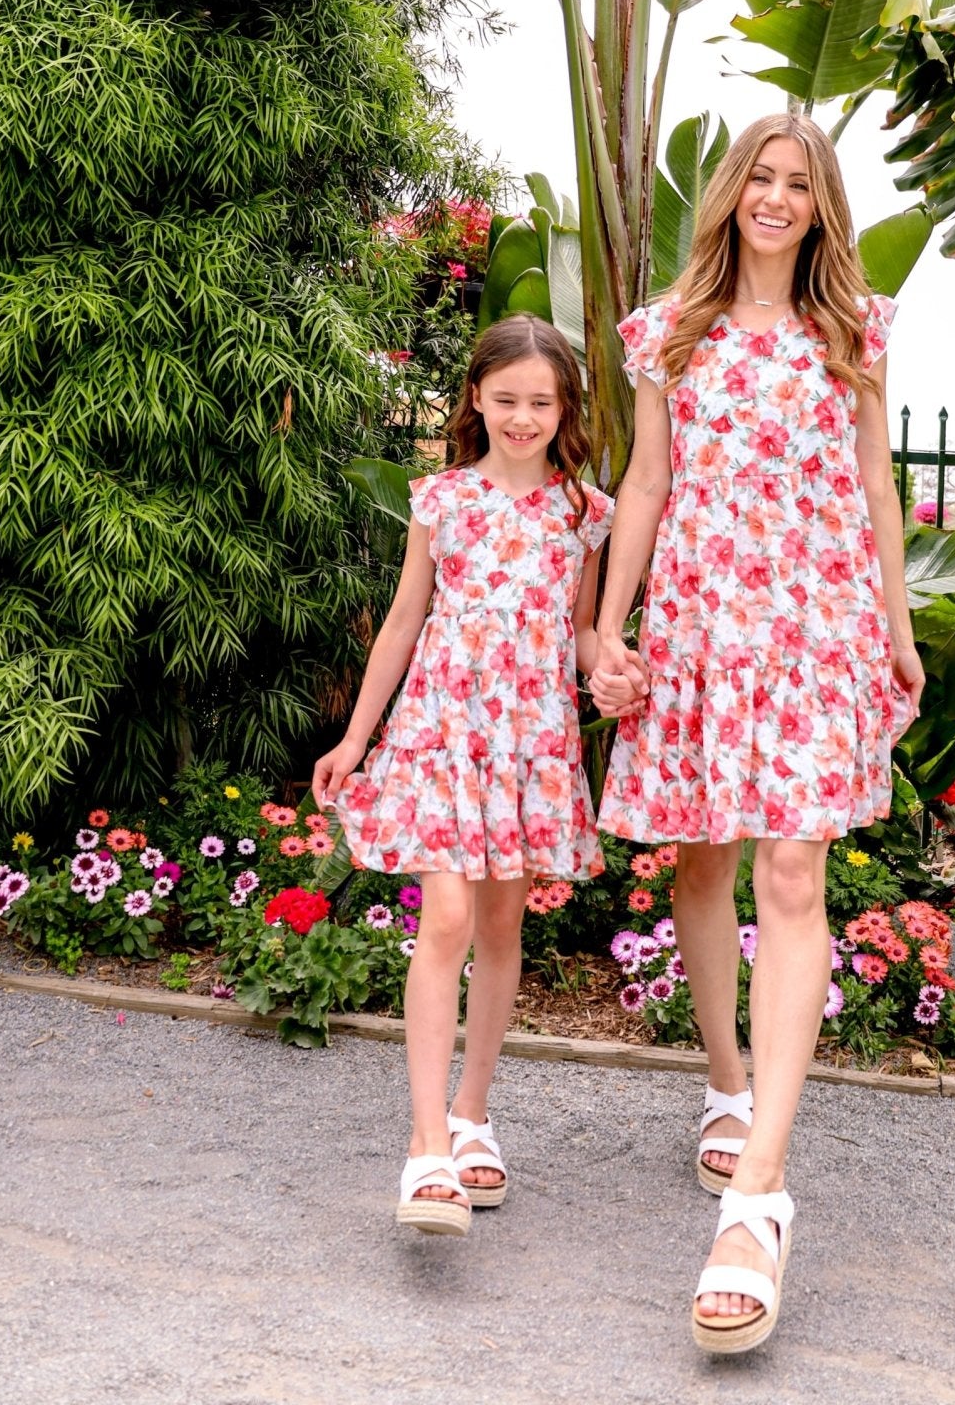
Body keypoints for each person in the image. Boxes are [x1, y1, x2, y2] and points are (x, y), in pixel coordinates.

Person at [589, 113, 924, 1354]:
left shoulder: (856, 329)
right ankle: (727, 1083)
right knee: (705, 861)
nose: (777, 199)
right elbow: (645, 485)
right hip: (698, 623)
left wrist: (897, 622)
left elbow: (880, 481)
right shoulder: (667, 330)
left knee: (793, 867)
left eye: (801, 184)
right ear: (731, 194)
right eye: (761, 180)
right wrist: (611, 626)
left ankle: (758, 1196)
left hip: (816, 618)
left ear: (822, 205)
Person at [314, 315, 615, 1238]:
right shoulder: (440, 499)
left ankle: (472, 1116)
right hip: (441, 733)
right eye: (504, 399)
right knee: (445, 918)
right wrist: (356, 741)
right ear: (474, 398)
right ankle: (424, 1147)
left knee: (498, 923)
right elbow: (404, 622)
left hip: (527, 743)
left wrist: (613, 668)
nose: (521, 417)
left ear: (562, 406)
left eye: (539, 401)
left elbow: (582, 633)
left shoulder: (583, 512)